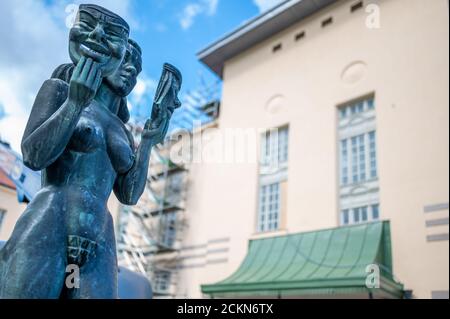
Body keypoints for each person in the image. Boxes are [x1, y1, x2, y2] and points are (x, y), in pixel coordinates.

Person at [0, 4, 181, 299]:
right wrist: (74, 103)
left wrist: (148, 140)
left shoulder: (123, 128)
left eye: (136, 69)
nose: (131, 71)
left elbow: (129, 194)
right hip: (52, 216)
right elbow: (34, 155)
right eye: (127, 63)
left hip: (100, 232)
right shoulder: (60, 89)